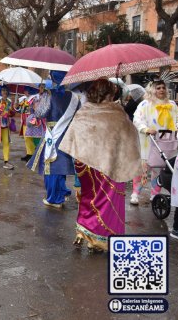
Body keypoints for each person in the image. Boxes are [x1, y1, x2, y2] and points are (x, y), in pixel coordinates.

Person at [60, 79, 141, 252]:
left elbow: (75, 137)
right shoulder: (117, 112)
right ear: (109, 93)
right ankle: (100, 240)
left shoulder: (85, 111)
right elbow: (130, 134)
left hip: (86, 165)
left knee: (89, 199)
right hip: (109, 164)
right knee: (107, 201)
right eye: (112, 91)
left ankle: (84, 231)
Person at [28, 71, 81, 209]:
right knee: (61, 166)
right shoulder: (74, 97)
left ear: (53, 78)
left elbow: (41, 113)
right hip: (67, 134)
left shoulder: (49, 94)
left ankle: (54, 198)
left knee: (51, 167)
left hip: (53, 134)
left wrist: (36, 107)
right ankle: (61, 193)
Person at [131, 79, 178, 205]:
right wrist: (145, 129)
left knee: (160, 169)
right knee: (143, 169)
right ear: (152, 90)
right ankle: (136, 193)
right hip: (148, 141)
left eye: (163, 88)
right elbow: (137, 119)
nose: (161, 90)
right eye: (158, 88)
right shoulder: (145, 105)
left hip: (167, 143)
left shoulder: (172, 105)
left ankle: (155, 193)